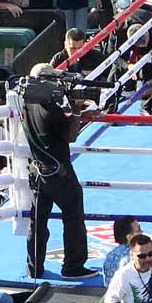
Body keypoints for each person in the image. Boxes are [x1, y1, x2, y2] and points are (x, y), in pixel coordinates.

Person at [22, 66, 92, 280]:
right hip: (57, 172)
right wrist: (78, 109)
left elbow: (54, 129)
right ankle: (73, 266)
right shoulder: (49, 108)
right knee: (73, 216)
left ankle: (34, 267)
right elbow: (70, 135)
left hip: (37, 171)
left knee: (38, 221)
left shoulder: (27, 103)